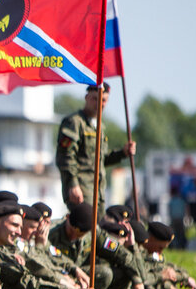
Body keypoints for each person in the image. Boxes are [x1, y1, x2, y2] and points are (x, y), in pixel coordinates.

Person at [55, 83, 136, 211]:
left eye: (103, 100)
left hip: (98, 192)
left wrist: (123, 153)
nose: (99, 104)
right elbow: (65, 156)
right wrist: (72, 184)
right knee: (84, 228)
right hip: (82, 190)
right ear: (86, 97)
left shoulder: (99, 126)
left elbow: (100, 159)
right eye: (95, 99)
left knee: (98, 229)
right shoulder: (75, 122)